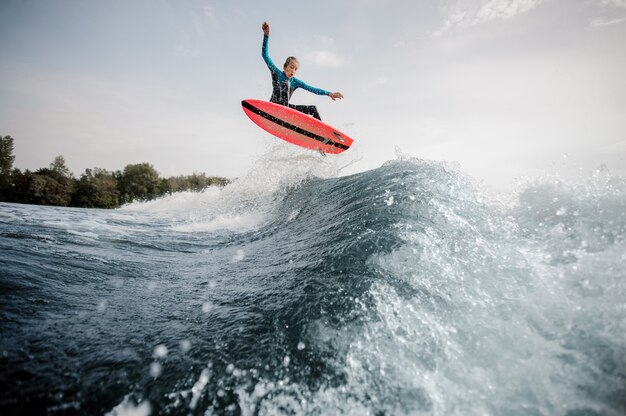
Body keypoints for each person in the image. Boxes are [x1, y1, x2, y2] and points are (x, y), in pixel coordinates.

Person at [261, 21, 343, 120]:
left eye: (295, 69)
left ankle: (318, 133)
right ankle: (281, 113)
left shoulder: (295, 82)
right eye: (291, 67)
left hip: (286, 110)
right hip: (273, 108)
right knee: (285, 83)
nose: (293, 71)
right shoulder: (276, 73)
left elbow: (311, 89)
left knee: (313, 109)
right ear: (284, 67)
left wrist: (329, 93)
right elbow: (265, 56)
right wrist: (266, 35)